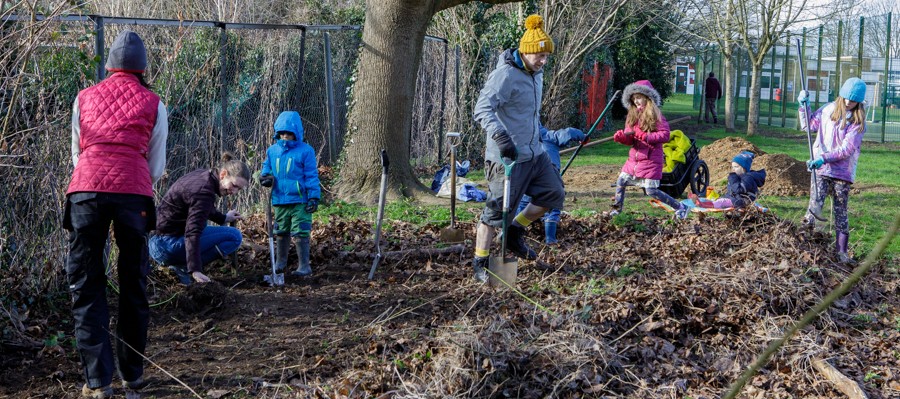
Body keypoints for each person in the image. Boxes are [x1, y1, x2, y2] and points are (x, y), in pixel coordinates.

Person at [63, 29, 167, 398]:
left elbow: (78, 152)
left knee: (86, 283)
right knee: (133, 282)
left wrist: (93, 178)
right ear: (142, 68)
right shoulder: (154, 103)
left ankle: (98, 382)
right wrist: (132, 178)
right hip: (133, 196)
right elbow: (155, 166)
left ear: (108, 65)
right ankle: (132, 375)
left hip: (85, 192)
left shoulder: (83, 97)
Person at [470, 14, 569, 283]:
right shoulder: (505, 75)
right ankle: (480, 261)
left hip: (534, 154)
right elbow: (481, 108)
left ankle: (514, 232)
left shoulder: (536, 73)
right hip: (507, 157)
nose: (544, 61)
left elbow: (529, 113)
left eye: (547, 56)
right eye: (540, 56)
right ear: (525, 51)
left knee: (553, 193)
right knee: (494, 213)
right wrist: (501, 136)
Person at [149, 152, 250, 284]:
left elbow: (203, 207)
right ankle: (184, 266)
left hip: (157, 243)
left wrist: (223, 218)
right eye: (234, 185)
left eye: (239, 189)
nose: (234, 192)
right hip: (168, 246)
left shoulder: (204, 177)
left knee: (224, 233)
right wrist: (195, 269)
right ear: (223, 174)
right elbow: (193, 232)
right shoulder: (204, 192)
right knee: (235, 236)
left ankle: (180, 264)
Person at [797, 77, 867, 263]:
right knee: (814, 207)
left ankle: (842, 253)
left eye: (852, 100)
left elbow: (846, 149)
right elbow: (808, 125)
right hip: (821, 170)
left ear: (859, 101)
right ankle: (801, 246)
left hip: (842, 174)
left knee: (840, 212)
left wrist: (823, 158)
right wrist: (804, 107)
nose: (848, 102)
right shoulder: (828, 110)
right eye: (845, 97)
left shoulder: (857, 123)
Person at [610, 80, 689, 219]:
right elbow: (631, 140)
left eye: (639, 97)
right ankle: (616, 209)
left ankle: (681, 207)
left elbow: (665, 135)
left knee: (651, 191)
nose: (636, 101)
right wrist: (622, 138)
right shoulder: (632, 116)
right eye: (633, 98)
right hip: (634, 160)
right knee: (621, 181)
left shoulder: (656, 116)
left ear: (648, 98)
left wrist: (645, 136)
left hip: (651, 159)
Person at [258, 111, 321, 277]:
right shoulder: (272, 151)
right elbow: (266, 168)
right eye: (282, 133)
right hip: (280, 199)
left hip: (300, 199)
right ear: (278, 133)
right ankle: (280, 263)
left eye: (289, 133)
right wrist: (264, 177)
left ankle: (304, 266)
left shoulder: (306, 151)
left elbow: (311, 175)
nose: (285, 136)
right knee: (281, 230)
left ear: (296, 134)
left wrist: (314, 196)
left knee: (301, 230)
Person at [515, 126, 585, 244]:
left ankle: (515, 236)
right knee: (552, 208)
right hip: (549, 179)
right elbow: (569, 133)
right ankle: (550, 239)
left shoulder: (524, 140)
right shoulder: (550, 137)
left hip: (529, 178)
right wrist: (582, 136)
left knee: (523, 205)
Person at [689, 151, 766, 209]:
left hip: (743, 201)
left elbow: (739, 189)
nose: (733, 169)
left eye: (736, 167)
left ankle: (703, 205)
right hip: (735, 198)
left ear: (743, 168)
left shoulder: (748, 178)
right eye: (733, 167)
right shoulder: (739, 176)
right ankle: (701, 201)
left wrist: (733, 178)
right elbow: (731, 190)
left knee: (721, 202)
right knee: (719, 199)